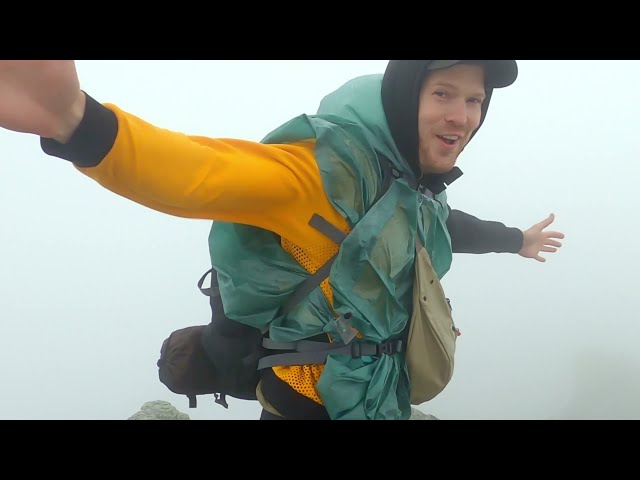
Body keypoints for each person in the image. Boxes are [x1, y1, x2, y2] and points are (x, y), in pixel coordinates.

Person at [0, 60, 564, 420]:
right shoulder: (322, 173)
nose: (463, 115)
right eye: (444, 93)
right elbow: (198, 172)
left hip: (377, 399)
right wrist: (74, 120)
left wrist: (516, 240)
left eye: (475, 102)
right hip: (305, 403)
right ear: (404, 95)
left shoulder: (414, 187)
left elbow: (445, 225)